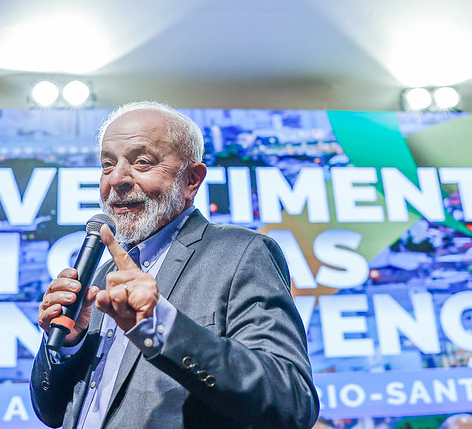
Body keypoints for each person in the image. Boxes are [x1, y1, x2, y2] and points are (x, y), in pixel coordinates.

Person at [29, 101, 319, 429]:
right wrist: (69, 344)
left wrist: (160, 324)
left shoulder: (241, 253)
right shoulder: (101, 277)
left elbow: (291, 401)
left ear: (192, 180)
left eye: (141, 161)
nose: (118, 178)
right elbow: (51, 413)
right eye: (107, 165)